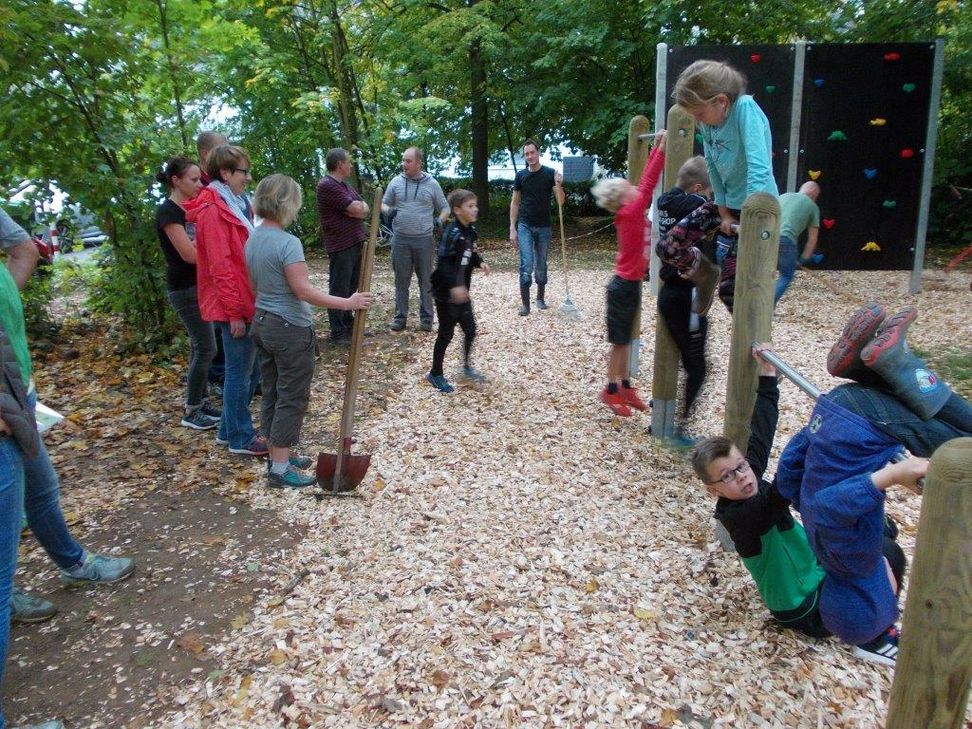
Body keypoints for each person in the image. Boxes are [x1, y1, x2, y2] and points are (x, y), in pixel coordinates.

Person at [775, 303, 972, 665]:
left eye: (889, 597)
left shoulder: (853, 560)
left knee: (957, 441)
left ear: (873, 595)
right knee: (906, 409)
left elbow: (832, 505)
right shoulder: (820, 543)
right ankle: (863, 367)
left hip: (858, 425)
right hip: (832, 410)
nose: (895, 588)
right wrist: (814, 439)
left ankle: (899, 360)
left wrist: (894, 475)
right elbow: (791, 467)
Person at [2, 206, 134, 729]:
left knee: (41, 488)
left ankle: (73, 563)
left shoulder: (11, 262)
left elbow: (25, 248)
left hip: (19, 399)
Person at [246, 175, 375, 488]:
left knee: (273, 390)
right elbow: (304, 291)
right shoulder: (287, 243)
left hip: (262, 322)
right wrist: (348, 302)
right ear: (288, 203)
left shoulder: (253, 238)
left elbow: (255, 287)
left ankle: (279, 453)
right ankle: (279, 469)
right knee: (291, 396)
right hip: (288, 328)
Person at [692, 346, 829, 638]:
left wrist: (768, 376)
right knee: (886, 555)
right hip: (803, 607)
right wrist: (817, 432)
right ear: (712, 490)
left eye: (740, 466)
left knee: (881, 532)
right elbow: (782, 489)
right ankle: (876, 639)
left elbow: (762, 434)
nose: (741, 477)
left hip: (816, 575)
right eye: (727, 476)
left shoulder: (746, 480)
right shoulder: (741, 517)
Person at [657, 60, 778, 316]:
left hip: (758, 208)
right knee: (668, 247)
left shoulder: (744, 110)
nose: (697, 120)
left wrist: (752, 213)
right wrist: (723, 212)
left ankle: (753, 343)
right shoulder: (709, 124)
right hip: (728, 205)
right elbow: (712, 167)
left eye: (699, 114)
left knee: (732, 290)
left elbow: (759, 165)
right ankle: (706, 274)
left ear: (721, 101)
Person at [185, 144, 267, 456]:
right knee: (239, 372)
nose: (248, 178)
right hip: (232, 305)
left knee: (249, 369)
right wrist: (234, 313)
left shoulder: (233, 203)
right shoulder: (213, 211)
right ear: (225, 173)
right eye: (243, 172)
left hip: (243, 298)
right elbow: (221, 267)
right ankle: (241, 438)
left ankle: (227, 430)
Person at [590, 131, 666, 416]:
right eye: (628, 187)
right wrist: (663, 147)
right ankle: (610, 390)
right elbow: (648, 181)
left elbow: (643, 181)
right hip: (623, 285)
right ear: (625, 199)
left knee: (627, 338)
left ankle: (624, 385)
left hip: (629, 284)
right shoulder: (632, 210)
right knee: (620, 342)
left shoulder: (630, 209)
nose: (635, 187)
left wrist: (658, 145)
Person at [156, 156, 221, 431]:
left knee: (201, 346)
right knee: (207, 347)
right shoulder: (169, 213)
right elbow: (189, 254)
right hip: (184, 288)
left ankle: (201, 400)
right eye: (193, 180)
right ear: (176, 180)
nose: (199, 184)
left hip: (199, 285)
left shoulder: (193, 207)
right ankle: (192, 408)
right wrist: (211, 246)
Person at [656, 156, 712, 438]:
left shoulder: (664, 201)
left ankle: (669, 416)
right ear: (698, 189)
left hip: (670, 293)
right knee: (697, 367)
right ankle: (679, 429)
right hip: (685, 296)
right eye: (708, 192)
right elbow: (715, 212)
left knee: (688, 359)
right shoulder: (695, 205)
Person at [426, 189, 490, 394]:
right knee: (446, 334)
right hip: (446, 293)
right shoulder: (451, 234)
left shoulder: (471, 231)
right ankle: (435, 374)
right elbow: (443, 264)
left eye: (475, 205)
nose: (475, 209)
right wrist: (455, 286)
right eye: (470, 206)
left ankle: (466, 368)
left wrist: (480, 263)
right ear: (457, 210)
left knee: (470, 329)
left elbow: (471, 254)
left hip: (463, 292)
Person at [382, 147, 449, 333]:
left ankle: (426, 319)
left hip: (424, 241)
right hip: (400, 240)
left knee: (426, 281)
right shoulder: (395, 182)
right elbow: (383, 203)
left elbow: (445, 208)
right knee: (401, 281)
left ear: (419, 163)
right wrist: (388, 211)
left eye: (408, 161)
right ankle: (400, 318)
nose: (404, 164)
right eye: (403, 160)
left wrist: (439, 221)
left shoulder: (432, 184)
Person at [315, 148, 370, 346]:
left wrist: (357, 209)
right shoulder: (327, 185)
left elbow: (363, 208)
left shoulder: (345, 186)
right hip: (340, 243)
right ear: (340, 164)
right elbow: (356, 208)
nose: (351, 165)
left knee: (351, 286)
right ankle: (338, 332)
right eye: (348, 162)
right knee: (339, 288)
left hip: (353, 242)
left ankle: (348, 325)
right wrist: (356, 209)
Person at [509, 139, 565, 316]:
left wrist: (559, 184)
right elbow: (515, 203)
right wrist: (512, 228)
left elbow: (560, 201)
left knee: (540, 264)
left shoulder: (550, 174)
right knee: (527, 265)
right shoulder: (521, 176)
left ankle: (540, 298)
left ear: (538, 152)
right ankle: (526, 305)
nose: (530, 157)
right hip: (525, 225)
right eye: (526, 154)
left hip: (544, 226)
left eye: (532, 153)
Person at [195, 132, 230, 392]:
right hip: (213, 282)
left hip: (230, 279)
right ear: (207, 154)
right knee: (213, 337)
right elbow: (217, 258)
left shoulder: (225, 188)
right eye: (223, 148)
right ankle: (217, 378)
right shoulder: (205, 192)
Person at [775, 181, 821, 304]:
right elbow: (812, 239)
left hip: (767, 237)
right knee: (786, 276)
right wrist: (803, 260)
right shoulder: (812, 206)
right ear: (813, 193)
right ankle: (767, 307)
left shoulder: (782, 196)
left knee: (766, 273)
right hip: (786, 240)